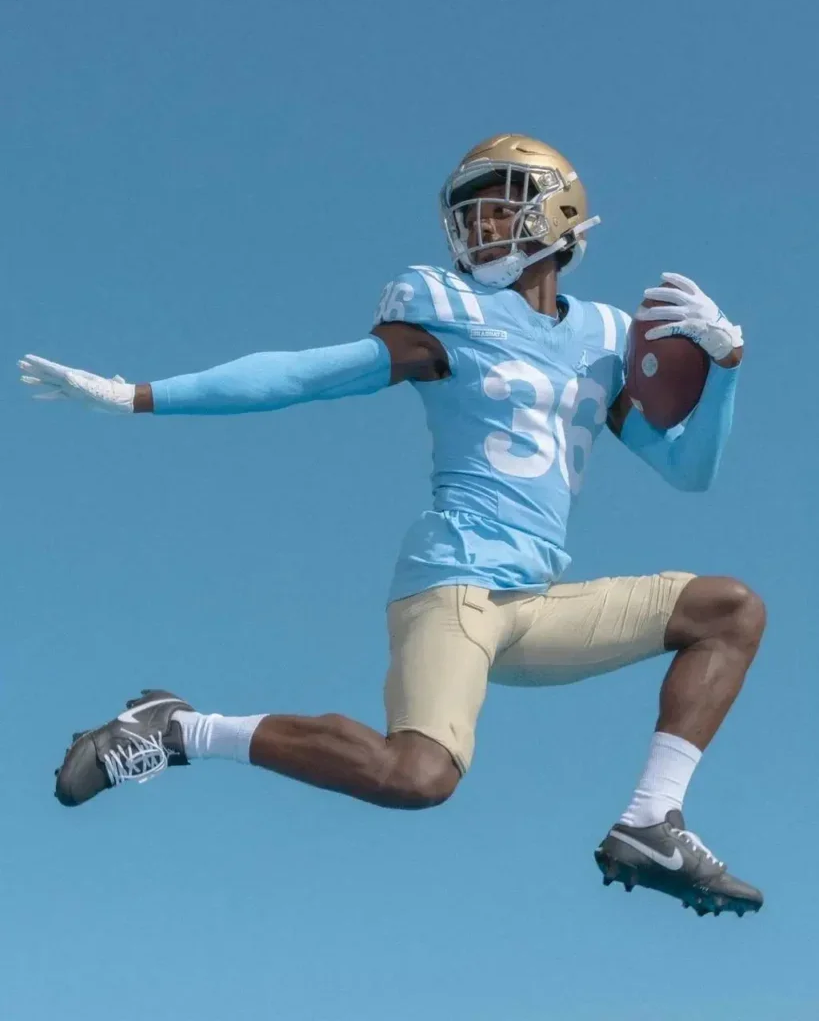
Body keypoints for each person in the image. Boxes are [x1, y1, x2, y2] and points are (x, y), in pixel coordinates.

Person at [20, 134, 765, 917]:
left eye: (493, 209)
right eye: (467, 217)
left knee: (729, 610)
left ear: (558, 211)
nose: (474, 230)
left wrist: (724, 371)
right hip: (455, 585)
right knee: (416, 777)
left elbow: (689, 471)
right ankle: (179, 728)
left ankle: (651, 820)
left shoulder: (605, 338)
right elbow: (307, 372)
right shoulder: (446, 309)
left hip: (536, 604)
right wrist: (143, 394)